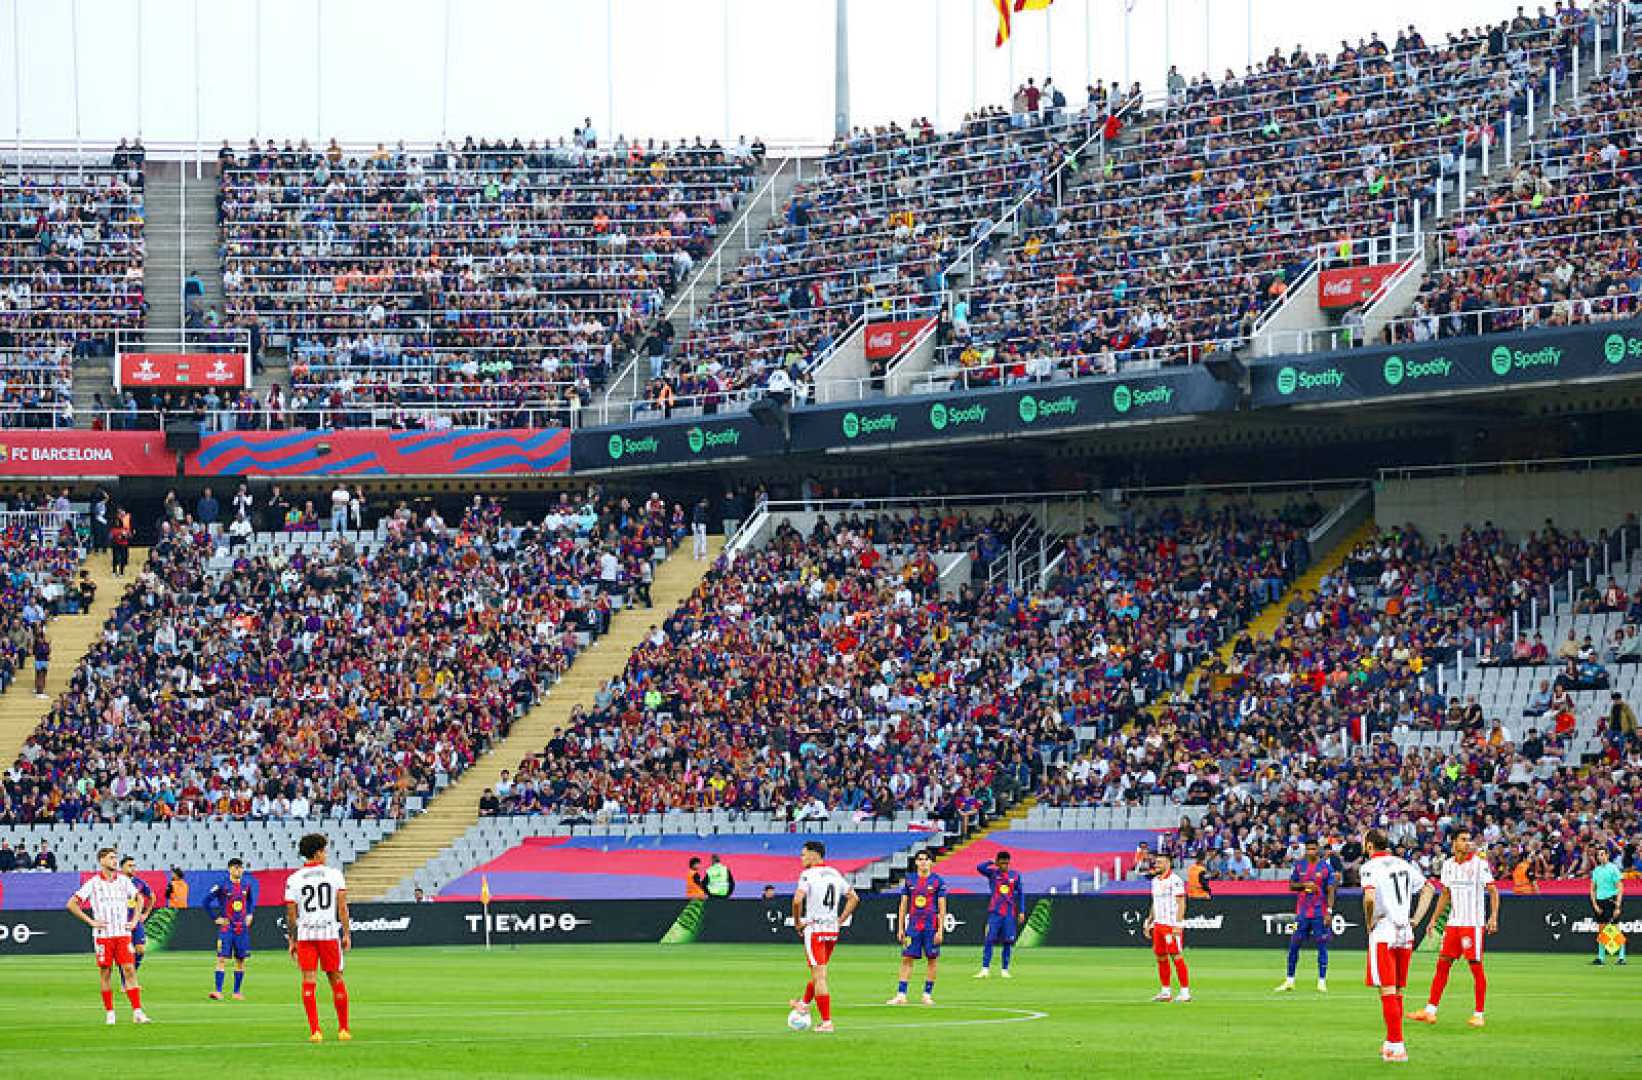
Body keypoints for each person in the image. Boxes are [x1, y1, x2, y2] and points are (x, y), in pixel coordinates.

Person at [1410, 830, 1499, 1028]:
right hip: (1453, 924)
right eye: (1463, 840)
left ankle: (1479, 1014)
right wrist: (1433, 919)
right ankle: (1430, 1010)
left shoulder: (1479, 865)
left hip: (1472, 924)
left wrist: (1492, 916)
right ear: (1454, 843)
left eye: (1469, 840)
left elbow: (1493, 890)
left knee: (1475, 967)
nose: (1467, 843)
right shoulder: (1448, 865)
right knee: (1442, 964)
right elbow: (1445, 895)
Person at [1360, 829, 1435, 1064]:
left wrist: (1369, 922)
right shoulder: (1403, 864)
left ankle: (1398, 1046)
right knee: (1397, 990)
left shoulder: (1369, 867)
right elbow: (1429, 889)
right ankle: (1390, 1043)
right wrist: (1416, 919)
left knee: (1387, 990)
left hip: (1384, 931)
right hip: (1405, 932)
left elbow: (1369, 898)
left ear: (1370, 845)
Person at [65, 847, 151, 1025]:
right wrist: (91, 922)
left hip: (123, 934)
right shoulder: (93, 883)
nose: (114, 861)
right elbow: (72, 904)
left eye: (115, 858)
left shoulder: (124, 881)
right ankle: (110, 1012)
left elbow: (140, 899)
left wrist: (135, 920)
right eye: (111, 858)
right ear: (102, 861)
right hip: (103, 936)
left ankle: (137, 1011)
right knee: (105, 972)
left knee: (129, 970)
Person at [284, 833, 352, 1042]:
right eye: (325, 850)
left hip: (305, 935)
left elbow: (291, 913)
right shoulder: (334, 875)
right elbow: (342, 907)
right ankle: (343, 1029)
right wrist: (347, 933)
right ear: (318, 852)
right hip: (328, 933)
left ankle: (315, 1031)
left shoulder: (293, 879)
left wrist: (293, 940)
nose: (326, 854)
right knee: (336, 978)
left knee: (308, 980)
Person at [787, 840, 858, 1034]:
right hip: (831, 931)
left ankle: (827, 1022)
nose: (801, 858)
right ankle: (803, 1003)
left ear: (814, 854)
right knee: (820, 972)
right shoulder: (835, 873)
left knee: (820, 976)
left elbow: (796, 900)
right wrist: (840, 920)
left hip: (815, 929)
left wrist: (797, 922)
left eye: (803, 854)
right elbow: (854, 898)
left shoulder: (808, 875)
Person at [1276, 839, 1337, 993]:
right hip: (1302, 913)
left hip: (1319, 912)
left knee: (1322, 946)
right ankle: (1290, 980)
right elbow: (1291, 885)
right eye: (1308, 849)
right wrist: (1304, 885)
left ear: (1318, 850)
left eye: (1313, 849)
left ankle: (1321, 981)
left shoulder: (1326, 867)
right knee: (1294, 945)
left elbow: (1330, 890)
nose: (1311, 852)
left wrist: (1329, 911)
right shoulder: (1299, 865)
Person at [888, 850, 946, 1006]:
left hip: (931, 926)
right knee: (907, 958)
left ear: (931, 862)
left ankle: (927, 994)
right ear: (916, 862)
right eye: (920, 859)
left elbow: (942, 908)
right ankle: (901, 994)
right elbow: (903, 905)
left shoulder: (937, 881)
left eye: (927, 859)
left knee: (932, 959)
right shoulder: (909, 880)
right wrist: (900, 928)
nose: (923, 862)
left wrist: (940, 930)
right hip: (913, 926)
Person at [206, 857, 258, 999]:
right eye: (235, 867)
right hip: (227, 928)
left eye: (240, 867)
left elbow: (251, 901)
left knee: (240, 960)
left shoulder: (246, 885)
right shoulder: (222, 885)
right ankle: (218, 991)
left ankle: (236, 992)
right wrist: (215, 918)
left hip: (242, 928)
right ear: (229, 869)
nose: (238, 870)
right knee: (221, 958)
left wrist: (250, 914)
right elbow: (206, 901)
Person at [1144, 851, 1191, 1002]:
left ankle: (1185, 992)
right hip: (1158, 925)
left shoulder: (1175, 880)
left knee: (1176, 956)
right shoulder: (1155, 881)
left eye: (1160, 862)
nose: (1157, 865)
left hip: (1171, 925)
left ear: (1168, 864)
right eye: (1156, 862)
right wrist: (1149, 920)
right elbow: (1154, 902)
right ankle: (1166, 992)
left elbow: (1181, 903)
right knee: (1160, 956)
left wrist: (1178, 924)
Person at [973, 850, 1024, 978]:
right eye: (1002, 863)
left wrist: (1022, 911)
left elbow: (1021, 894)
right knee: (989, 940)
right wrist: (991, 862)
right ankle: (985, 969)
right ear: (998, 863)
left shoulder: (1015, 876)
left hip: (1009, 914)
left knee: (1008, 941)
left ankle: (1004, 969)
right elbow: (979, 867)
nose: (1004, 866)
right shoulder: (992, 874)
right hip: (995, 913)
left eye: (1007, 863)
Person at [118, 857, 155, 984]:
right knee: (124, 952)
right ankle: (126, 981)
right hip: (120, 922)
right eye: (129, 865)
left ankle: (130, 976)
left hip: (136, 921)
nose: (133, 868)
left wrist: (145, 914)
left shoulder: (139, 883)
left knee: (140, 950)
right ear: (121, 868)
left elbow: (151, 897)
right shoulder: (115, 882)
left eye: (134, 865)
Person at [1589, 848, 1626, 966]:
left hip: (1611, 901)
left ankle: (1621, 957)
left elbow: (1620, 887)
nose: (1600, 857)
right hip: (1600, 901)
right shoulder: (1596, 870)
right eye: (1598, 855)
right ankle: (1601, 957)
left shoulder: (1613, 868)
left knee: (1615, 929)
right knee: (1602, 930)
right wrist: (1595, 904)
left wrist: (1618, 906)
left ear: (1607, 855)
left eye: (1602, 854)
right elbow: (1593, 889)